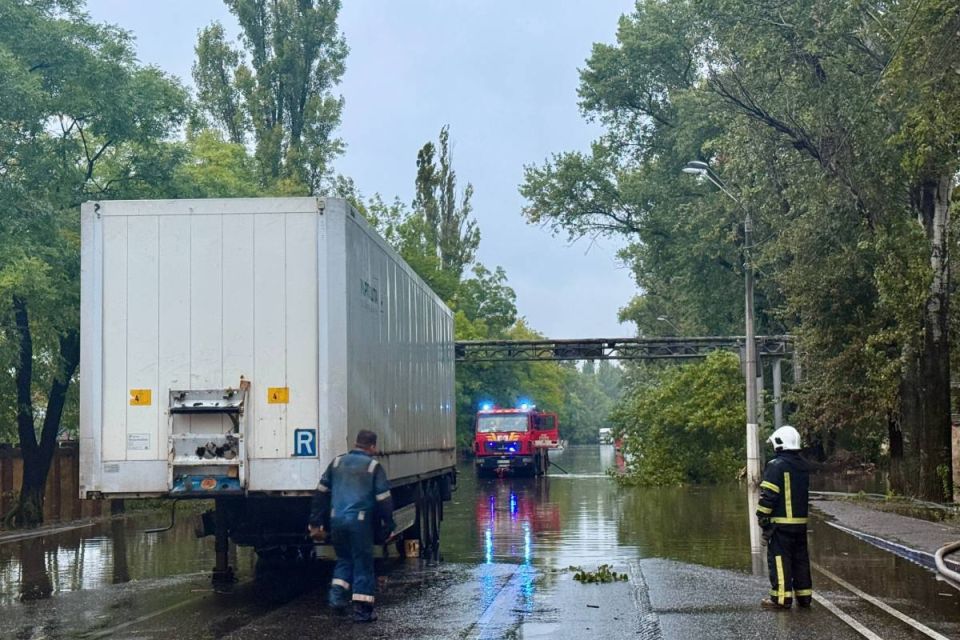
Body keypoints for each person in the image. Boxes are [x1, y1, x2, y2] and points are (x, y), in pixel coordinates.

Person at [309, 430, 396, 623]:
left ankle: (337, 599)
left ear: (356, 443)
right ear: (372, 446)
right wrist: (389, 525)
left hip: (336, 520)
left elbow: (321, 494)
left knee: (344, 559)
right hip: (360, 522)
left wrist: (316, 521)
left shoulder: (337, 463)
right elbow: (384, 500)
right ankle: (362, 610)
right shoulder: (373, 466)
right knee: (363, 562)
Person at [756, 424, 813, 610]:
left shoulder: (775, 466)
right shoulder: (803, 466)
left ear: (779, 444)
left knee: (780, 560)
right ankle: (804, 597)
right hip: (800, 524)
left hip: (780, 525)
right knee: (801, 560)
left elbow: (769, 496)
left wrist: (761, 516)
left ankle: (781, 599)